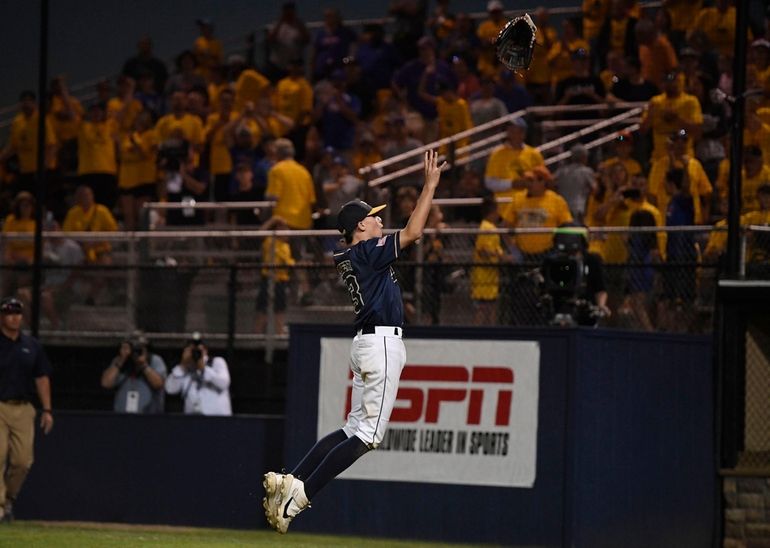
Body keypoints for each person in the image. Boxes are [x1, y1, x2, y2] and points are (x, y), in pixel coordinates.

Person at [262, 150, 446, 535]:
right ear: (360, 226)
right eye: (374, 216)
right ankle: (300, 495)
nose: (381, 219)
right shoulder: (365, 252)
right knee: (367, 437)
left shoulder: (351, 252)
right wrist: (429, 187)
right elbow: (413, 233)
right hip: (379, 344)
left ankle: (289, 478)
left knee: (351, 429)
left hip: (367, 342)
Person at [0, 297, 53, 523]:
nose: (14, 317)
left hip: (23, 407)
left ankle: (9, 499)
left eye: (18, 313)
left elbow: (42, 377)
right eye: (10, 312)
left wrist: (47, 409)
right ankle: (0, 506)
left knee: (23, 461)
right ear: (1, 316)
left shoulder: (31, 345)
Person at [165, 333, 232, 416]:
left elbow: (224, 383)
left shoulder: (216, 362)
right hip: (193, 421)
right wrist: (182, 366)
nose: (195, 353)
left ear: (205, 350)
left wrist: (203, 369)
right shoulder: (184, 369)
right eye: (192, 350)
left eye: (199, 350)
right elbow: (170, 389)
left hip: (217, 420)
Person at [100, 331, 167, 414]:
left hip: (149, 418)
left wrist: (144, 365)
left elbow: (158, 384)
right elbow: (106, 383)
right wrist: (121, 360)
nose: (135, 352)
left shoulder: (154, 360)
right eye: (133, 348)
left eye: (139, 348)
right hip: (122, 417)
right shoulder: (119, 361)